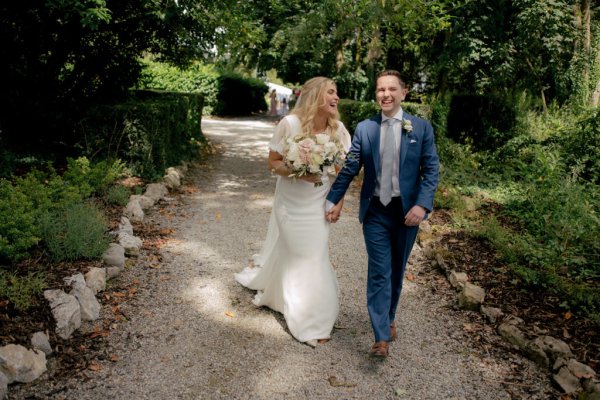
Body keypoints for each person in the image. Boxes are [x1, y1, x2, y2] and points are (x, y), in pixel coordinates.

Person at [326, 70, 439, 359]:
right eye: (380, 90)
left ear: (404, 93)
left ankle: (388, 317)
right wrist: (332, 199)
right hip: (375, 210)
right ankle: (380, 337)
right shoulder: (366, 128)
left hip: (407, 213)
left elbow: (431, 170)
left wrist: (422, 206)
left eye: (391, 89)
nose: (385, 94)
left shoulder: (421, 128)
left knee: (397, 271)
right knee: (379, 271)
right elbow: (351, 167)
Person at [235, 77, 351, 347]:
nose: (336, 98)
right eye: (330, 93)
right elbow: (273, 164)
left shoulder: (339, 130)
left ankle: (306, 310)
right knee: (301, 255)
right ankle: (308, 322)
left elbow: (343, 172)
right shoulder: (290, 124)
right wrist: (299, 171)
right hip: (290, 203)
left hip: (319, 202)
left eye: (337, 93)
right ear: (314, 96)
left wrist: (340, 201)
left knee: (314, 254)